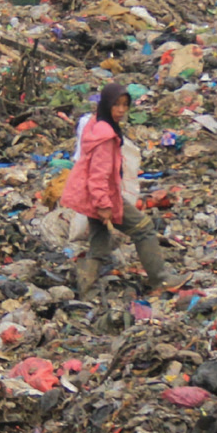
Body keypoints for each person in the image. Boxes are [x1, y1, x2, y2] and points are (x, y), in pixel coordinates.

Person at [61, 83, 177, 294]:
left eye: (125, 105)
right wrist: (104, 205)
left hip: (89, 194)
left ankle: (85, 290)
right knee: (144, 228)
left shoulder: (97, 123)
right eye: (116, 105)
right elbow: (99, 176)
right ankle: (160, 280)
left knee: (100, 243)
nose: (121, 110)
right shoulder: (106, 137)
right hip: (98, 195)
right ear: (107, 105)